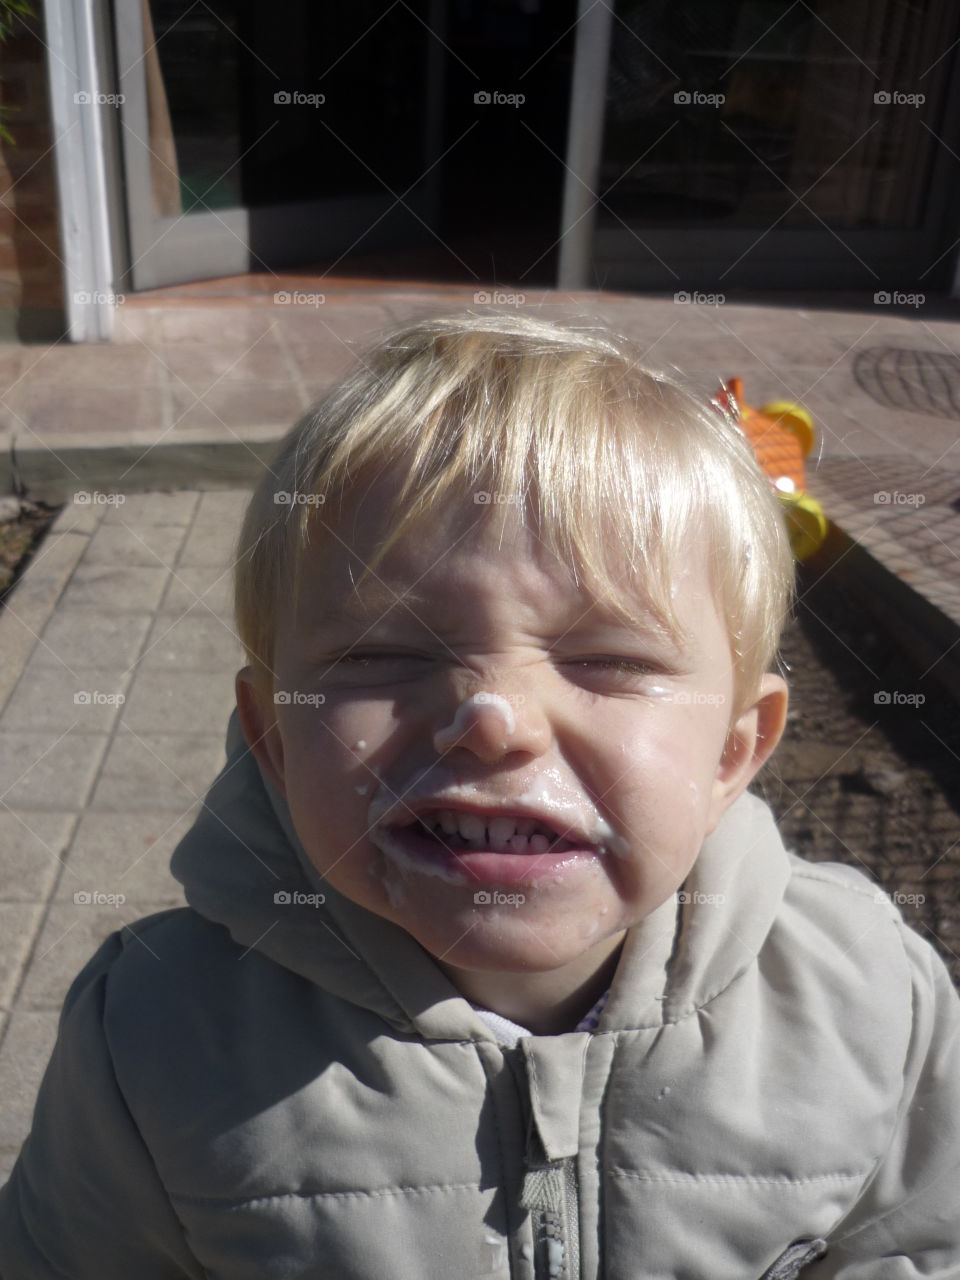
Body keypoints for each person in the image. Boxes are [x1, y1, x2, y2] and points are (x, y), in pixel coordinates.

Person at [1, 313, 958, 1280]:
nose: (493, 719)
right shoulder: (155, 1037)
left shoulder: (871, 996)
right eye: (381, 653)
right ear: (274, 738)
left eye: (609, 659)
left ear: (732, 752)